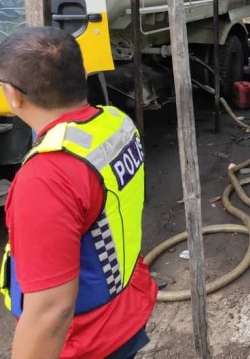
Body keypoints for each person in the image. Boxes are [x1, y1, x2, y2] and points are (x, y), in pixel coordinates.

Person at [0, 27, 157, 358]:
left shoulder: (46, 177)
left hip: (86, 339)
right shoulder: (115, 123)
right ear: (83, 75)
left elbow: (51, 311)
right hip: (126, 307)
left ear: (14, 95)